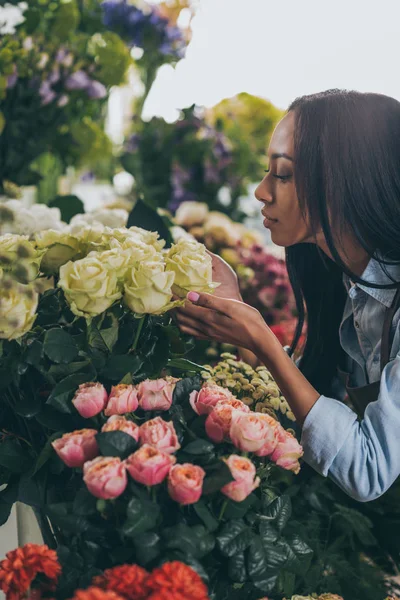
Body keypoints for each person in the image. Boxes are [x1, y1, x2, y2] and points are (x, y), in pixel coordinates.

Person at [174, 89, 400, 503]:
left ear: (345, 182)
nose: (262, 191)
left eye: (281, 174)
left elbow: (368, 469)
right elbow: (311, 399)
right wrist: (240, 319)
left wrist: (262, 339)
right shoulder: (347, 283)